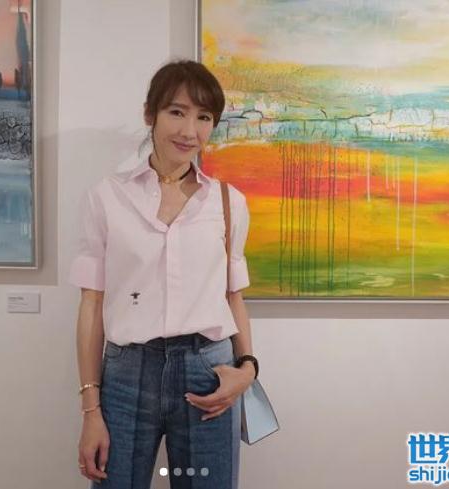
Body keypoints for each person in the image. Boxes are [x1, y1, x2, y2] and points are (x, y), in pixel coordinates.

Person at [69, 59, 258, 489]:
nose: (190, 131)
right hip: (126, 376)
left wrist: (248, 368)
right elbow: (91, 304)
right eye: (177, 112)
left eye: (204, 117)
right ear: (149, 114)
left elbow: (233, 297)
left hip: (208, 373)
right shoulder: (107, 197)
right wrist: (90, 410)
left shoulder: (228, 203)